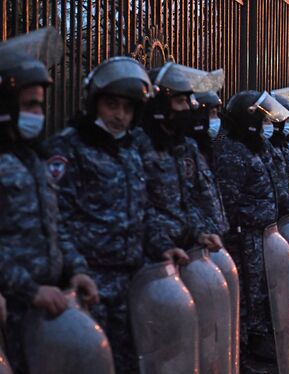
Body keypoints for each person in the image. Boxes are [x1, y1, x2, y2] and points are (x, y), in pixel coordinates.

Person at [45, 57, 188, 373]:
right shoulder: (68, 147)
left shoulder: (130, 148)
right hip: (88, 284)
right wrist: (76, 268)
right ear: (95, 103)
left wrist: (160, 246)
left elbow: (142, 208)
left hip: (132, 279)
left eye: (127, 107)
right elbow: (56, 219)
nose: (119, 115)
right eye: (111, 105)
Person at [0, 52, 98, 372]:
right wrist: (29, 290)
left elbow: (55, 226)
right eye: (29, 105)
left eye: (40, 105)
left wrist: (77, 270)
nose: (38, 114)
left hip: (50, 307)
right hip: (11, 313)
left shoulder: (33, 159)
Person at [214, 90, 289, 369]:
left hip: (263, 232)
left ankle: (256, 339)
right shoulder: (232, 150)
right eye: (260, 118)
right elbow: (228, 199)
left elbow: (274, 181)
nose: (265, 124)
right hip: (242, 234)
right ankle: (242, 351)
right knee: (245, 293)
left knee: (258, 290)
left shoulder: (255, 145)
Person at [140, 62, 226, 246]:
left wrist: (202, 233)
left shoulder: (186, 146)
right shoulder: (139, 147)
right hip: (159, 252)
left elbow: (196, 198)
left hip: (197, 245)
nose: (187, 108)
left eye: (188, 101)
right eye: (180, 101)